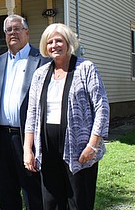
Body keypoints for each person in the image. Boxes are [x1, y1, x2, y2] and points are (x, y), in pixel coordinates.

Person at [23, 23, 110, 210]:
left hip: (79, 150)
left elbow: (101, 107)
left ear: (68, 42)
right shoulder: (40, 74)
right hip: (47, 149)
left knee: (78, 202)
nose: (54, 45)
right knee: (51, 203)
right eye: (50, 42)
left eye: (59, 41)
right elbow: (32, 113)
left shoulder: (86, 69)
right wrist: (27, 149)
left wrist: (93, 145)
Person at [0, 14, 48, 209]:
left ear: (26, 32)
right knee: (6, 192)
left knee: (33, 191)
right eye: (8, 30)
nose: (13, 33)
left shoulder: (42, 61)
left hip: (28, 138)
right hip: (1, 139)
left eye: (17, 28)